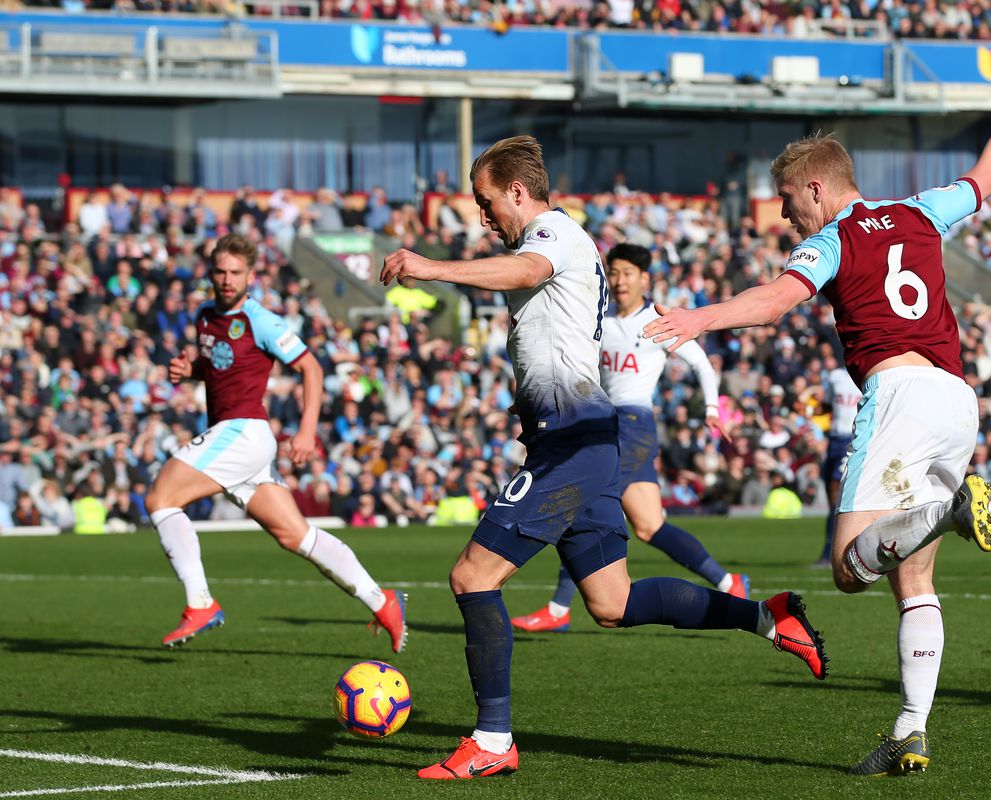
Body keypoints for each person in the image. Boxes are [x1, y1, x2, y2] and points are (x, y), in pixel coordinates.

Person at [645, 35, 991, 777]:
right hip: (955, 400)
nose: (786, 218)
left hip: (900, 393)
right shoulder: (919, 212)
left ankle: (943, 514)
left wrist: (695, 320)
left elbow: (777, 301)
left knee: (849, 568)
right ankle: (911, 730)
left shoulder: (837, 237)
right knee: (914, 578)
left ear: (816, 188)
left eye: (786, 203)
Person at [379, 135, 828, 781]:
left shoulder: (553, 233)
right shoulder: (542, 242)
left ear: (516, 191)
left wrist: (434, 267)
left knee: (472, 578)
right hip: (575, 439)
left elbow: (526, 272)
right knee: (612, 602)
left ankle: (492, 738)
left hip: (572, 444)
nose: (483, 217)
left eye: (485, 202)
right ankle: (768, 616)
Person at [144, 233, 406, 652]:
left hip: (243, 431)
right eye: (221, 271)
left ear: (250, 275)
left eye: (236, 272)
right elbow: (221, 368)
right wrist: (189, 368)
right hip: (237, 438)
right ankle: (382, 600)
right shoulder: (205, 315)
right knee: (296, 536)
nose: (228, 279)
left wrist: (306, 430)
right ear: (210, 272)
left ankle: (200, 604)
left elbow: (312, 369)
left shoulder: (260, 319)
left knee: (160, 498)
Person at [509, 243, 749, 634]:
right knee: (650, 525)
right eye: (614, 272)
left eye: (626, 273)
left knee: (582, 502)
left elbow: (700, 362)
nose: (619, 281)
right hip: (601, 418)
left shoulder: (653, 319)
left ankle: (558, 608)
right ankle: (729, 583)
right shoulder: (597, 318)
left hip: (633, 423)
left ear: (644, 278)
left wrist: (710, 408)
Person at [814, 363, 861, 568]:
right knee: (831, 497)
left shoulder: (868, 372)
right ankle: (831, 552)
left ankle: (833, 554)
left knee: (838, 495)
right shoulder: (835, 376)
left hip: (854, 438)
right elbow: (827, 405)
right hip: (834, 439)